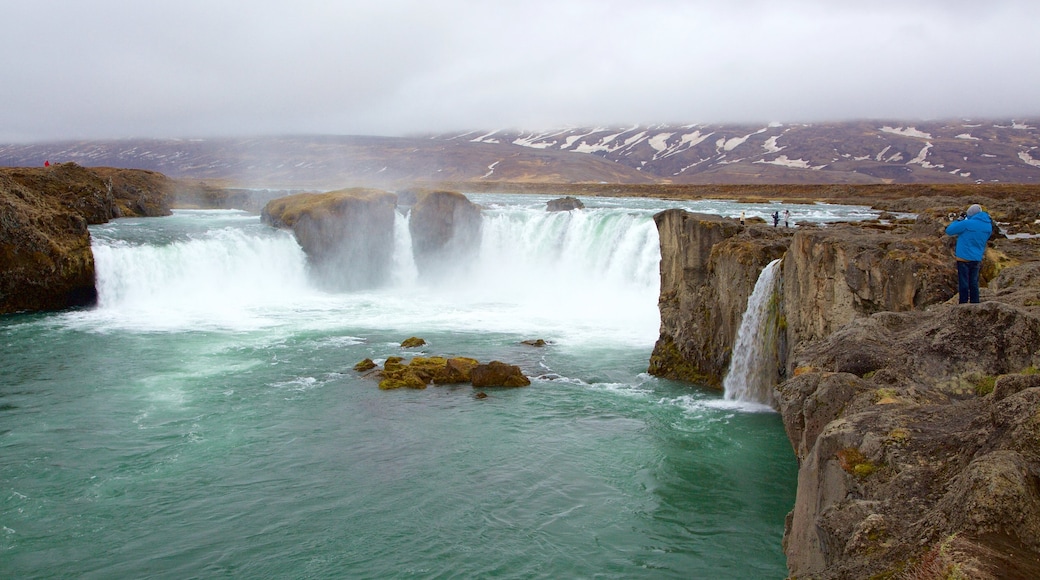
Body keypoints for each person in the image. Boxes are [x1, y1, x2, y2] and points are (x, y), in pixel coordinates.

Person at [945, 203, 992, 304]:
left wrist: (960, 219)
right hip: (977, 257)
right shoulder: (988, 225)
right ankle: (975, 303)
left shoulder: (967, 224)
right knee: (974, 283)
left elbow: (949, 231)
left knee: (964, 283)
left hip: (963, 257)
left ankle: (963, 304)